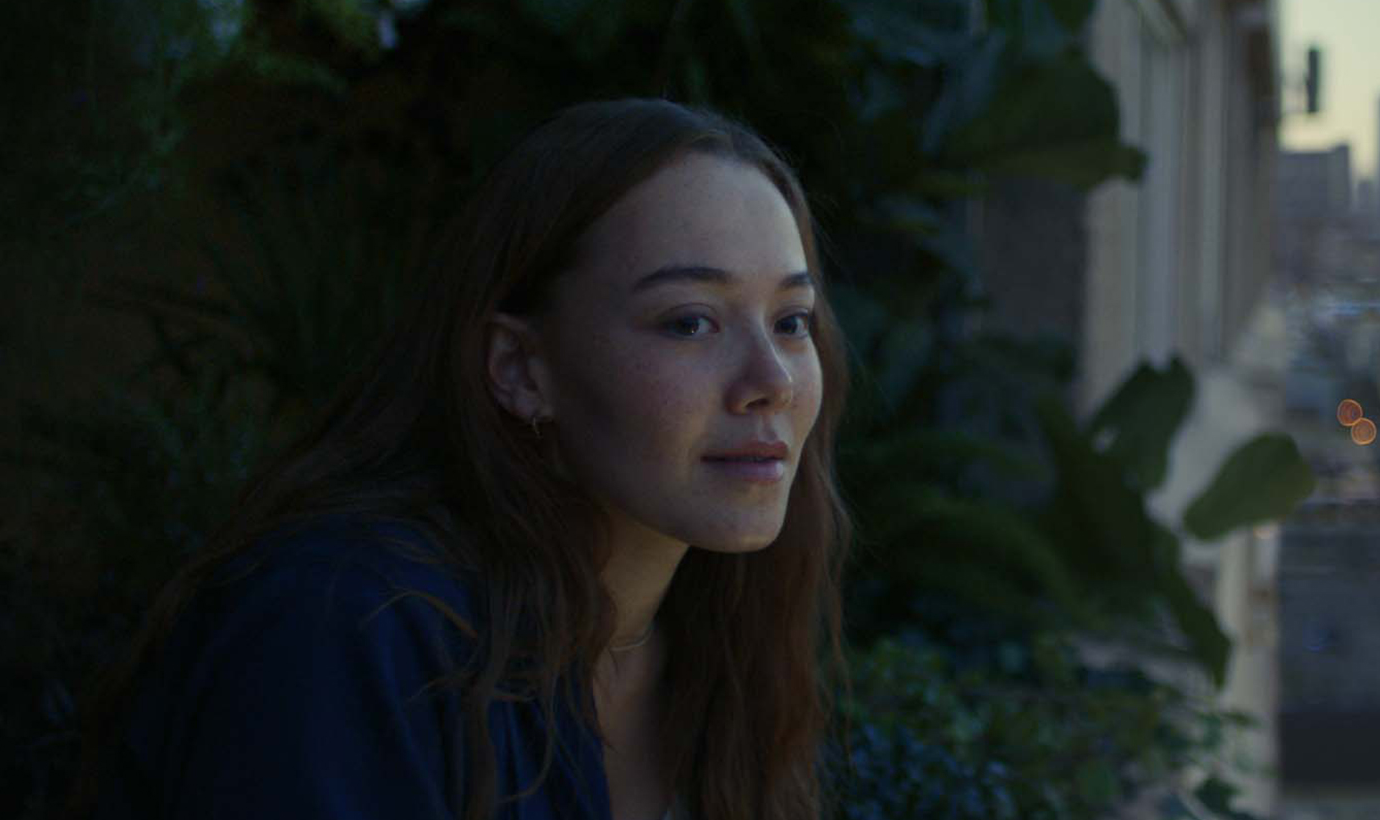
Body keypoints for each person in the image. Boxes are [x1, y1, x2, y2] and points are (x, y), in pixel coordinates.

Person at [67, 98, 852, 820]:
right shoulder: (343, 625)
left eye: (791, 320)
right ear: (519, 368)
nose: (771, 382)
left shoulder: (716, 639)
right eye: (690, 322)